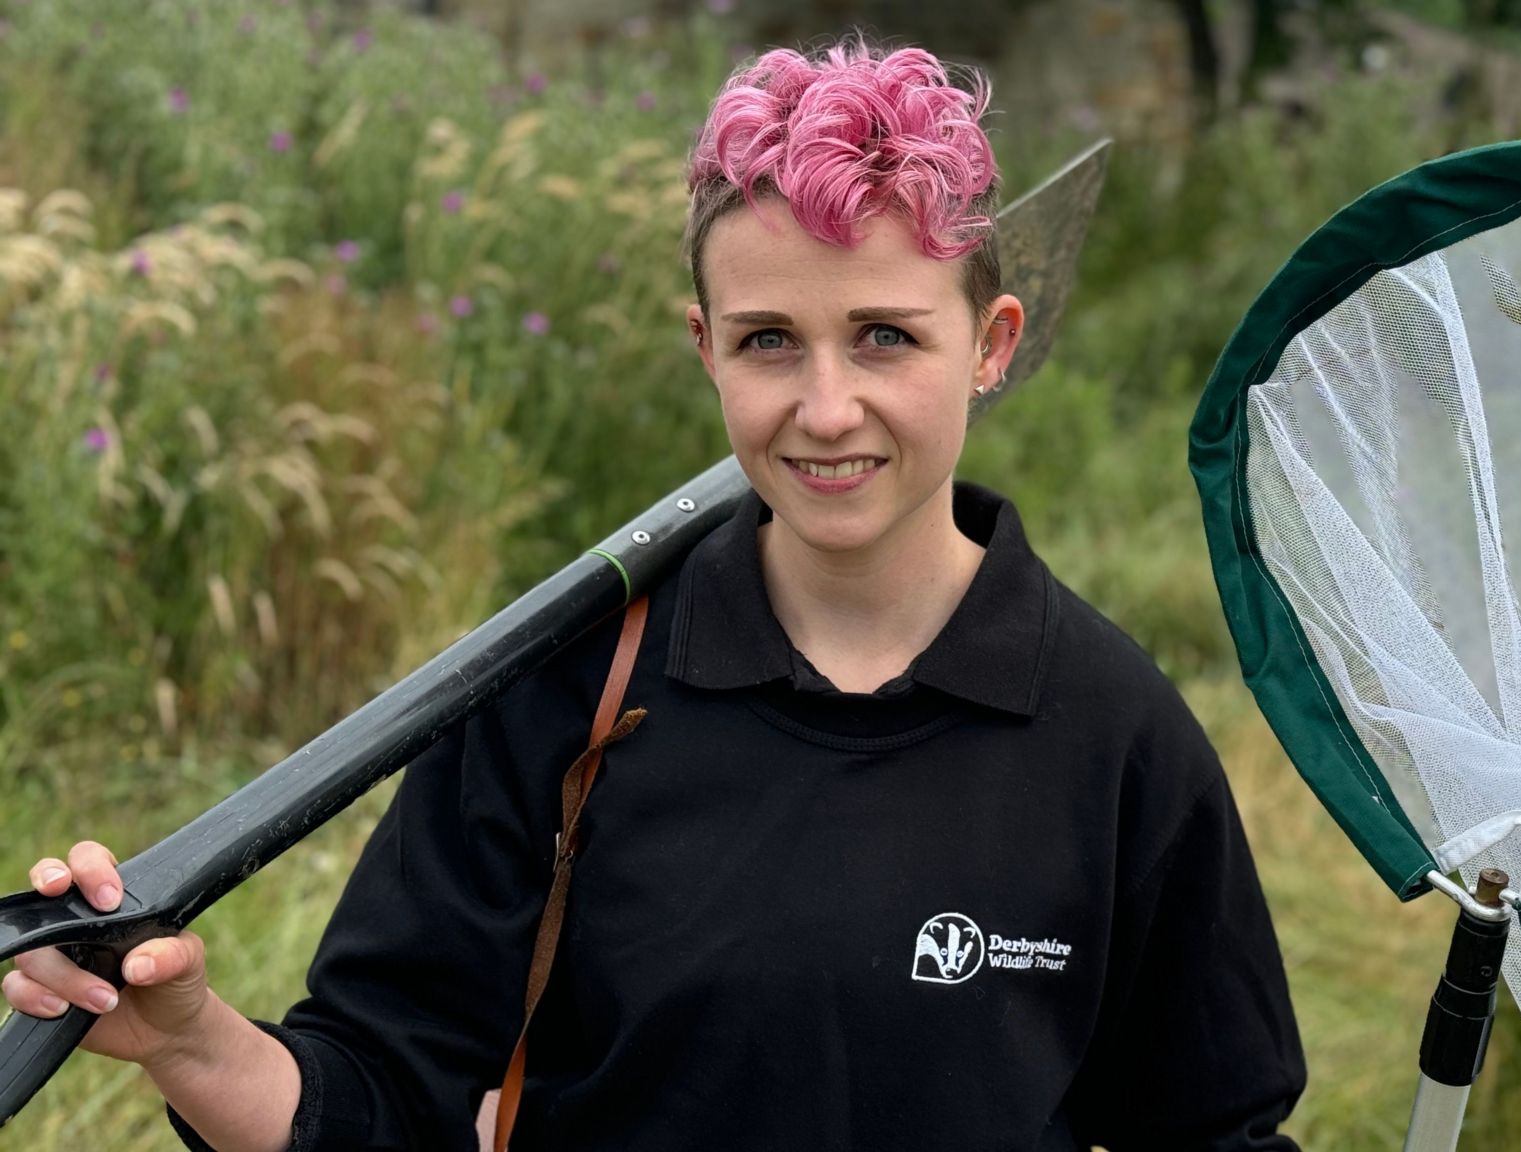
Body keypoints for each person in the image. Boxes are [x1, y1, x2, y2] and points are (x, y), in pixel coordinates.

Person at [3, 38, 1306, 1151]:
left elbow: (1214, 1128)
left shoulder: (1118, 739)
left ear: (996, 345)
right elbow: (382, 1099)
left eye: (887, 337)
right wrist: (189, 1043)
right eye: (768, 343)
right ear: (705, 347)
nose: (827, 407)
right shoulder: (563, 692)